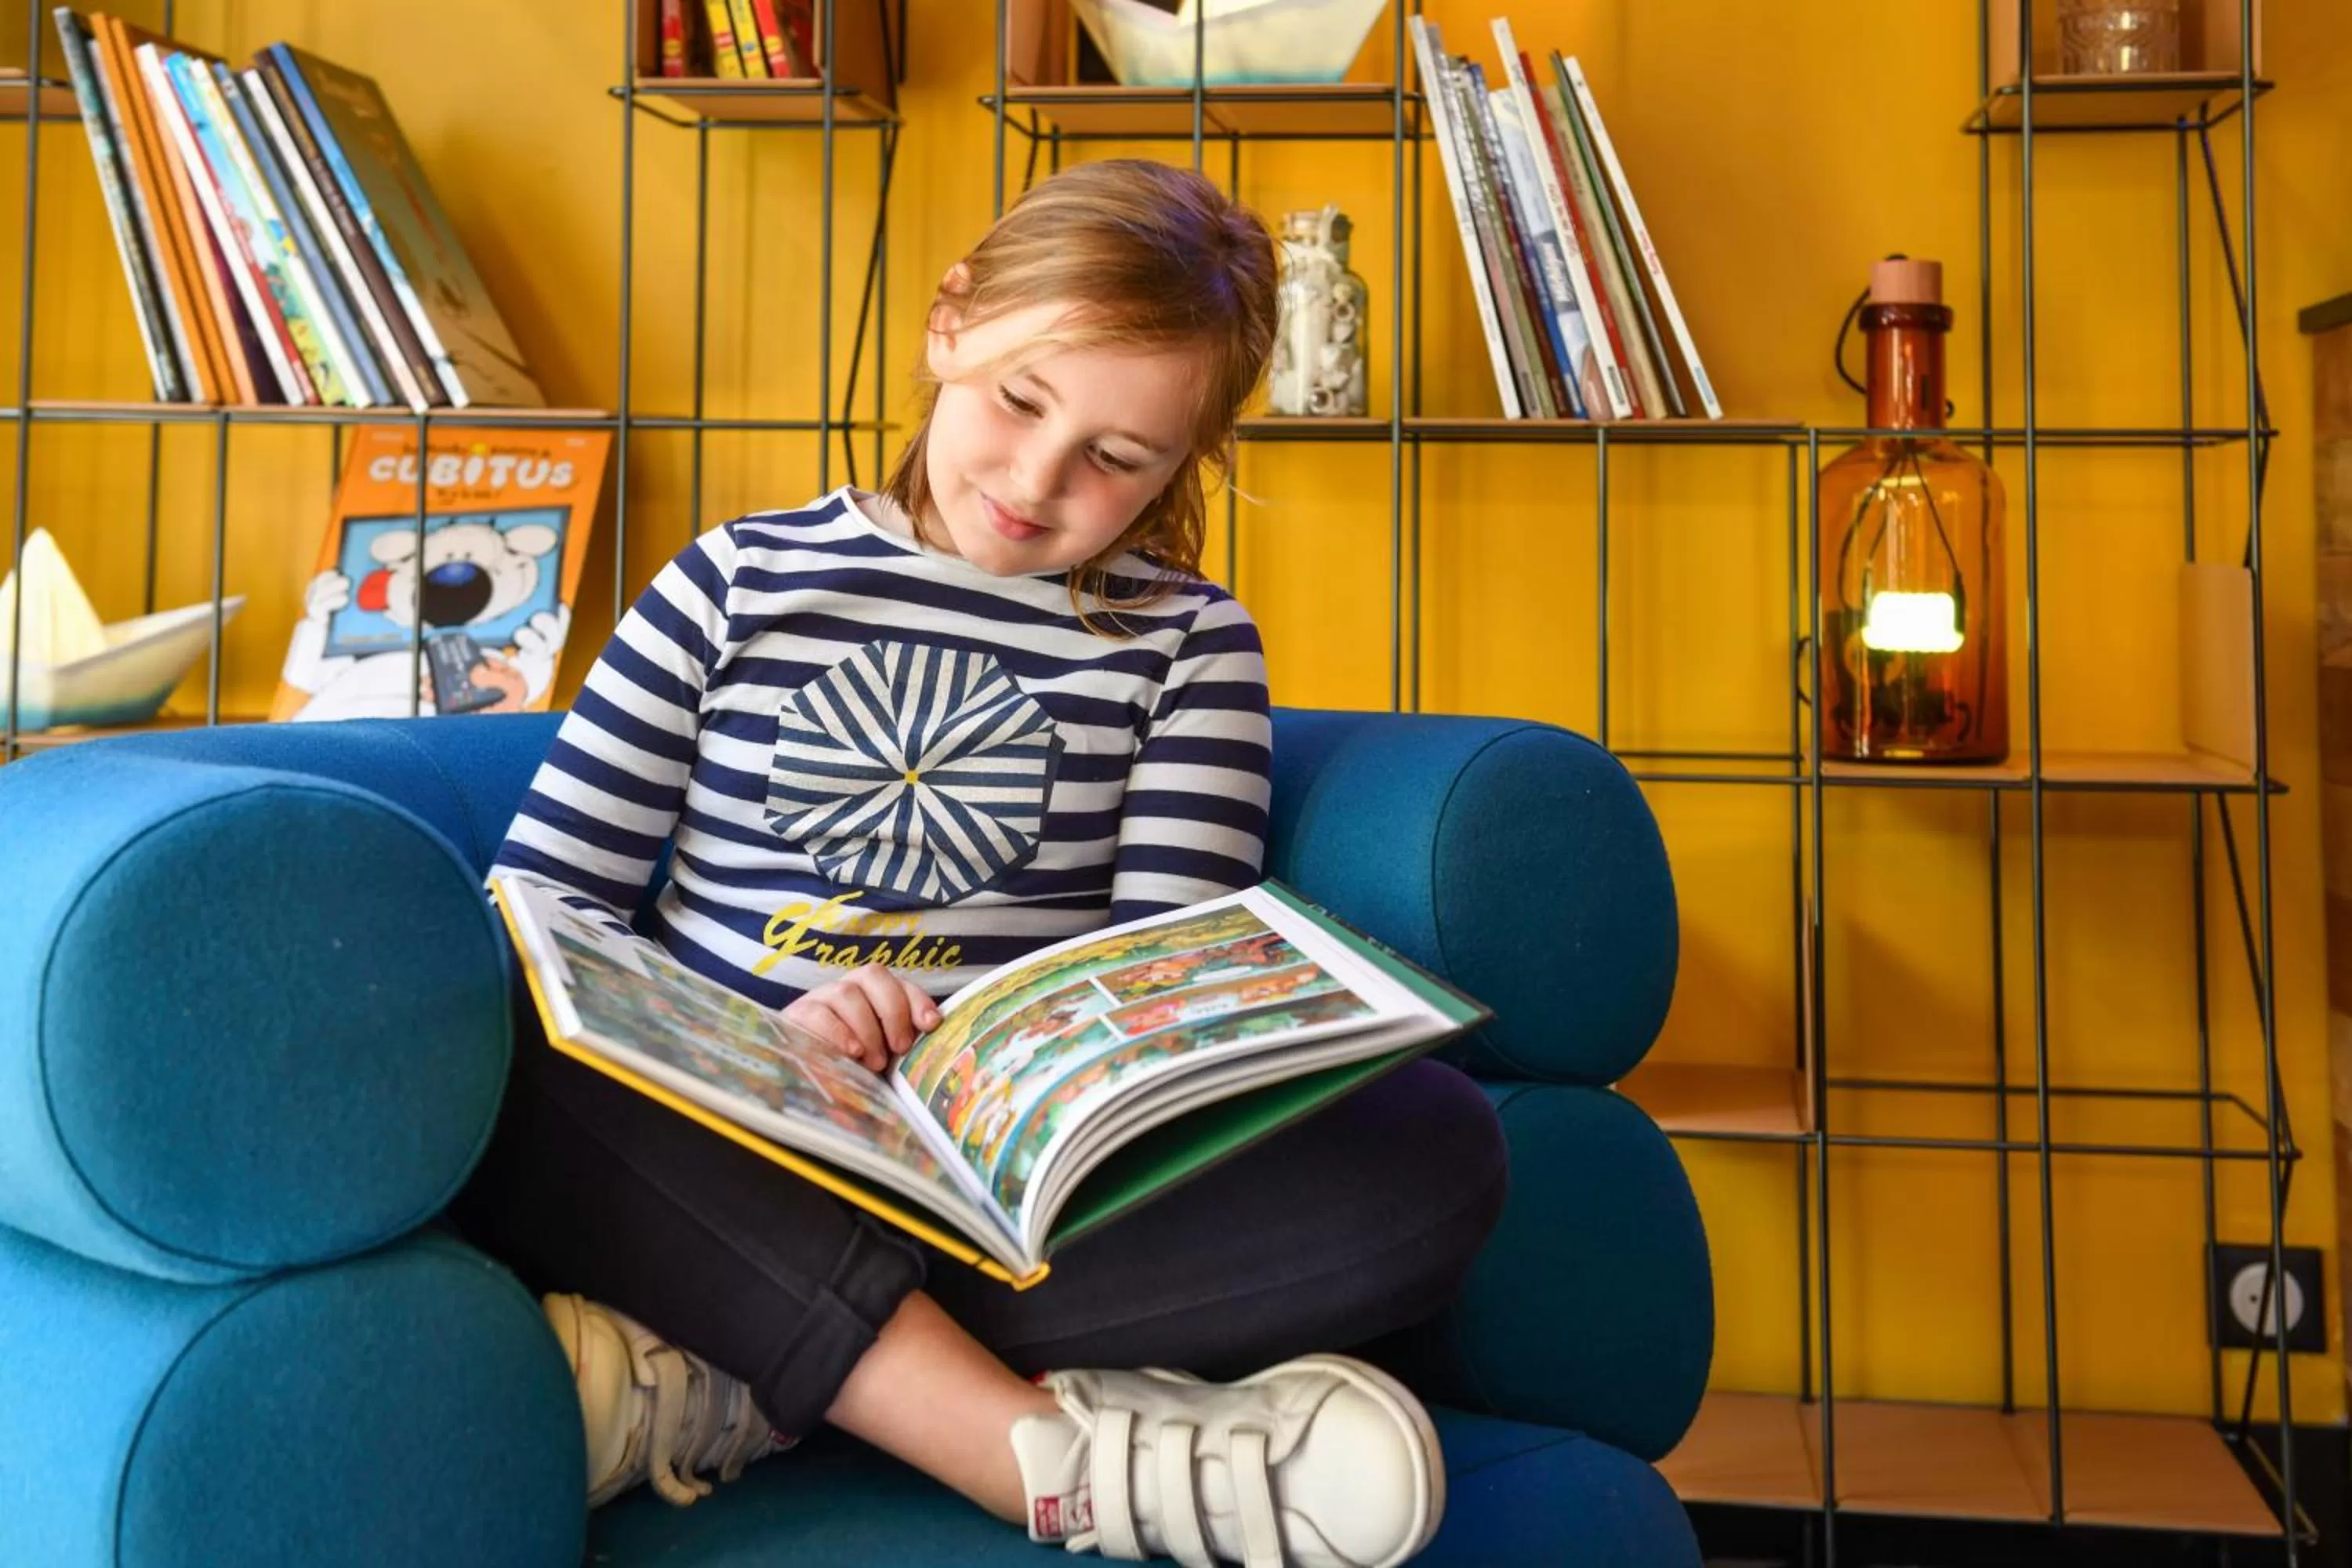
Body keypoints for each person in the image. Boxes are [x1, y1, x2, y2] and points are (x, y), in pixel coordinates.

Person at [454, 158, 1508, 1567]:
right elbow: (543, 918)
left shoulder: (1188, 648)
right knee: (484, 1026)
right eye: (1021, 402)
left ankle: (721, 1380)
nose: (1037, 480)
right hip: (717, 1142)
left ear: (1182, 465)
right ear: (950, 328)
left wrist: (954, 1057)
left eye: (1117, 460)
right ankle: (1028, 1457)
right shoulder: (732, 585)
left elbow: (1156, 1003)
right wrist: (773, 1042)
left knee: (1433, 1152)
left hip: (994, 1185)